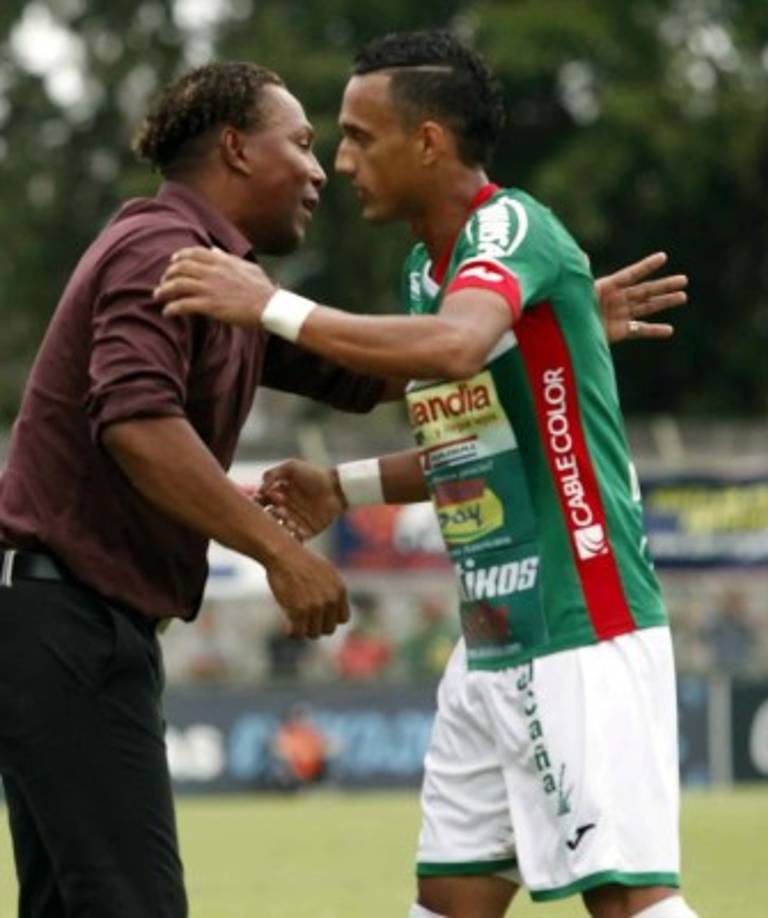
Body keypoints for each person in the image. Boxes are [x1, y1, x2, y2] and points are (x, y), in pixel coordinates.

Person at [155, 30, 695, 918]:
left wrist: (271, 306)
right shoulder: (425, 272)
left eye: (361, 136)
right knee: (451, 900)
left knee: (630, 905)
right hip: (492, 641)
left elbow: (453, 349)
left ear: (430, 142)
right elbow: (470, 441)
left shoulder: (511, 226)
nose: (342, 159)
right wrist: (343, 487)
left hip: (582, 626)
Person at [0, 61, 390, 917]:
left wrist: (536, 325)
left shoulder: (224, 279)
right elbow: (135, 422)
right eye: (303, 143)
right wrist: (281, 554)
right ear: (236, 149)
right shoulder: (162, 251)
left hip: (68, 625)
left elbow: (362, 372)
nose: (320, 169)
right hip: (64, 626)